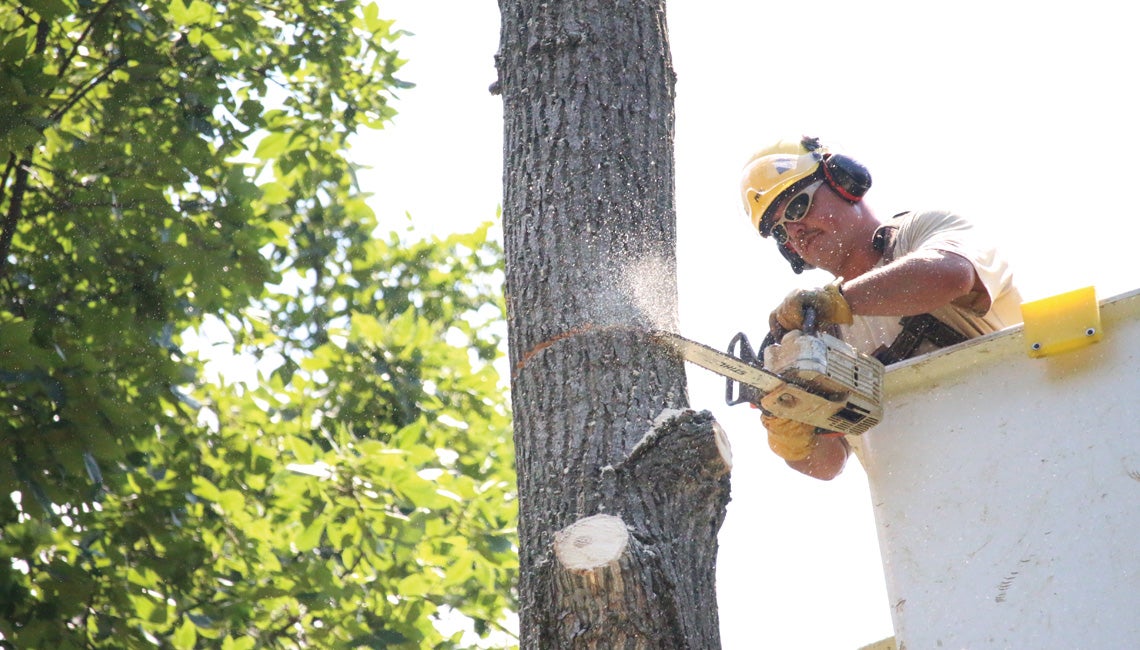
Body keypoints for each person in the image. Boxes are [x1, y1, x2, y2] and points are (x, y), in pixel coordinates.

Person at [740, 136, 1022, 480]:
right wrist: (789, 429)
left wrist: (837, 302)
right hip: (926, 499)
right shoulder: (824, 335)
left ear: (844, 182)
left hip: (1021, 438)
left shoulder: (920, 233)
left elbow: (951, 275)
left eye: (798, 207)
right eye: (781, 232)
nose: (795, 232)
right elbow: (829, 462)